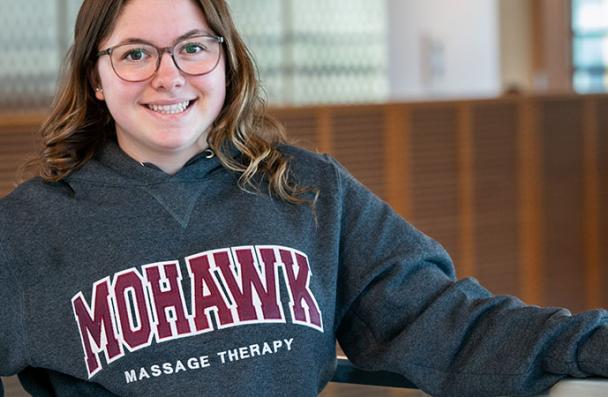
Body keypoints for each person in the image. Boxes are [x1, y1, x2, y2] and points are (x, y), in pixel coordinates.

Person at [1, 1, 608, 396]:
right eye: (135, 54)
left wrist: (590, 342)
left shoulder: (310, 189)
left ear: (226, 62)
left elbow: (443, 322)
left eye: (194, 46)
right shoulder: (27, 226)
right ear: (95, 79)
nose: (170, 74)